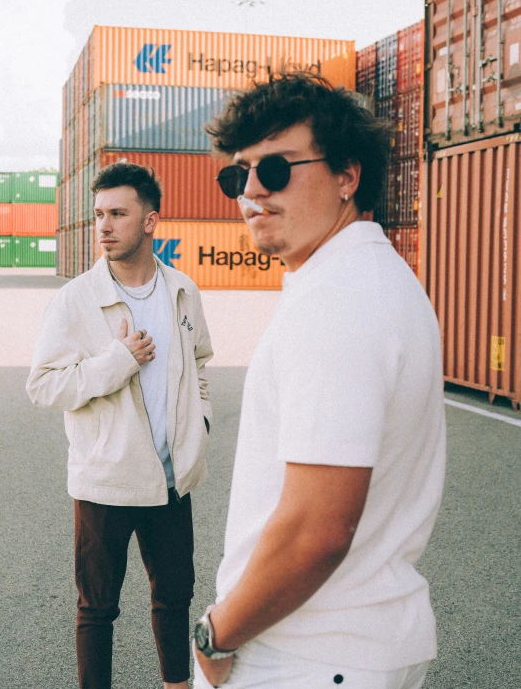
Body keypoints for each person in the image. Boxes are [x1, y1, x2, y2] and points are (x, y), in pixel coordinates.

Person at [192, 72, 446, 689]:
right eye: (237, 174)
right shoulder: (375, 277)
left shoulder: (339, 299)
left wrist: (217, 633)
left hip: (302, 652)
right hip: (348, 646)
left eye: (275, 169)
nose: (251, 190)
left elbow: (318, 528)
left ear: (347, 176)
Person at [26, 162, 213, 689]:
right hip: (104, 480)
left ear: (151, 220)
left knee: (175, 597)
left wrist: (200, 425)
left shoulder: (182, 291)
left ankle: (177, 684)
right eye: (98, 215)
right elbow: (43, 386)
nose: (104, 226)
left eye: (118, 214)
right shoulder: (74, 300)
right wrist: (118, 361)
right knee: (97, 608)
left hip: (171, 479)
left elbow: (200, 365)